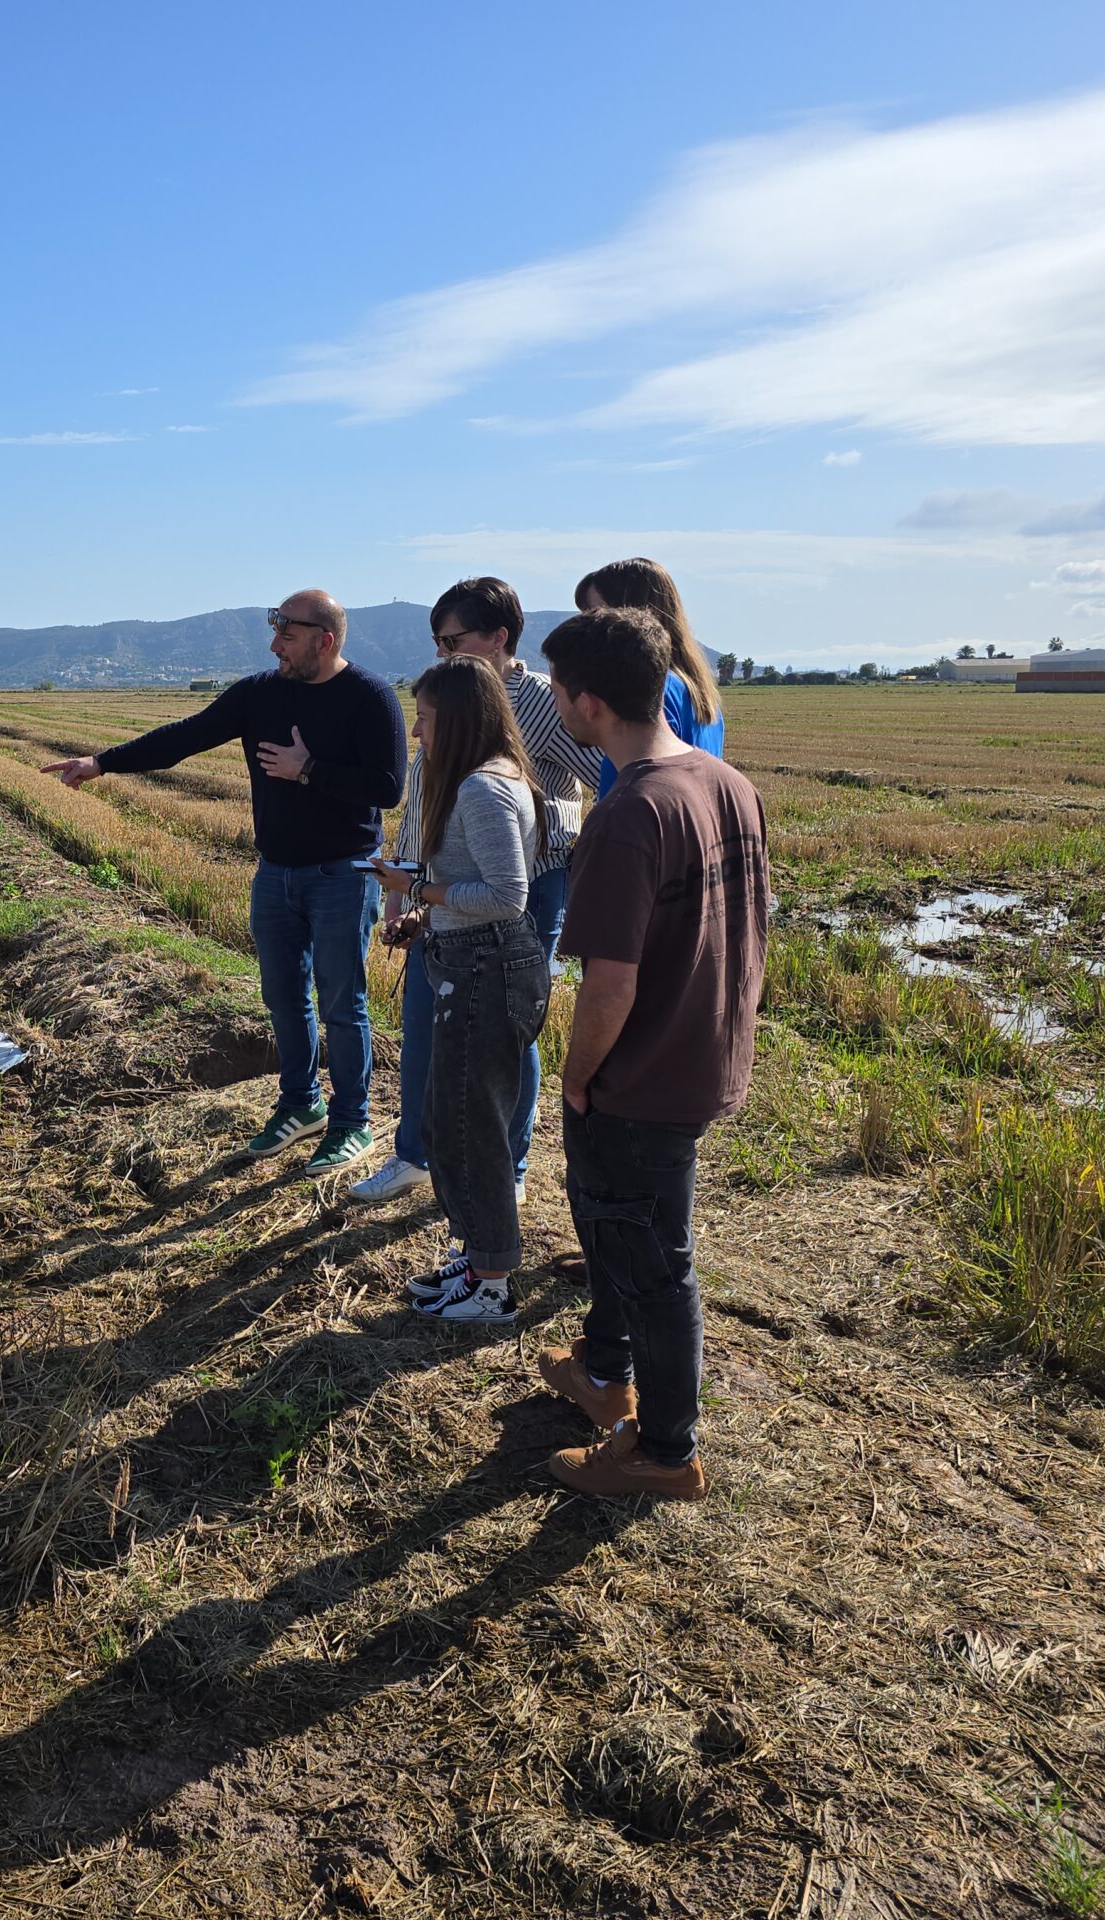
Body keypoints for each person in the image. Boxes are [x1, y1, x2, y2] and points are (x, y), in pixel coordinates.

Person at [43, 590, 407, 1173]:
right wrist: (102, 762)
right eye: (276, 630)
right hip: (275, 874)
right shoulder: (259, 693)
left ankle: (351, 1122)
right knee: (284, 998)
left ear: (324, 639)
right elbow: (184, 737)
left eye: (287, 634)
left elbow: (388, 788)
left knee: (343, 1003)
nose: (275, 645)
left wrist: (307, 770)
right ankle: (301, 1104)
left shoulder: (370, 697)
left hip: (344, 873)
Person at [534, 606, 770, 1502]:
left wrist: (579, 1075)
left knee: (653, 1264)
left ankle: (664, 1451)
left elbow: (610, 987)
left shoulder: (629, 814)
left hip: (639, 1082)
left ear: (587, 704)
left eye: (557, 691)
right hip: (702, 1058)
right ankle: (602, 1376)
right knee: (637, 1243)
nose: (554, 703)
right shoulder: (723, 780)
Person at [352, 577, 601, 1208]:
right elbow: (419, 809)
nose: (443, 653)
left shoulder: (540, 701)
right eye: (437, 641)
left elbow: (601, 773)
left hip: (525, 885)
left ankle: (508, 1168)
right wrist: (407, 898)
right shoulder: (446, 699)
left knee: (507, 1030)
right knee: (422, 1022)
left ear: (499, 637)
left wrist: (550, 826)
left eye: (453, 639)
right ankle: (415, 1153)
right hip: (442, 887)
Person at [366, 656, 548, 1323]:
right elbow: (478, 889)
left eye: (425, 719)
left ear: (461, 722)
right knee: (450, 1123)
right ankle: (473, 1256)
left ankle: (493, 1283)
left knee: (473, 1132)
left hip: (487, 970)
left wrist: (415, 889)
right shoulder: (483, 781)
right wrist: (426, 916)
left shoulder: (482, 789)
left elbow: (505, 897)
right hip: (467, 960)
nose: (417, 734)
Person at [574, 558, 725, 795]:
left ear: (632, 617)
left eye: (595, 616)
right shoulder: (699, 693)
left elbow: (634, 798)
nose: (584, 630)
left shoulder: (653, 691)